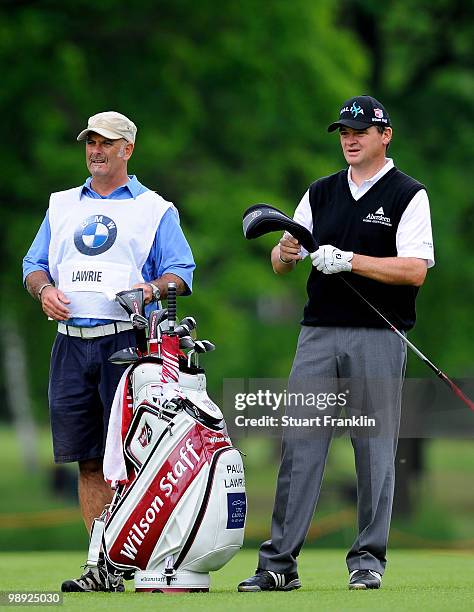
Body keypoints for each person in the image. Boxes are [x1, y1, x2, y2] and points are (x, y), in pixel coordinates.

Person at [238, 96, 434, 592]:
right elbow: (284, 264)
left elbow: (415, 269)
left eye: (359, 131)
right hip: (318, 333)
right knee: (300, 447)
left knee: (372, 451)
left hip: (379, 336)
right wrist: (285, 252)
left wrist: (351, 260)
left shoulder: (408, 194)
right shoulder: (320, 193)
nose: (349, 138)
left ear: (384, 135)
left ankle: (367, 560)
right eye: (343, 132)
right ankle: (278, 566)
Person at [23, 111, 195, 592]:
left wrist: (152, 290)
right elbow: (33, 265)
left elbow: (181, 271)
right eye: (90, 142)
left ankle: (142, 559)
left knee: (133, 461)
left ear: (128, 150)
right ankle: (101, 567)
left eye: (107, 142)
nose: (96, 150)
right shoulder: (61, 205)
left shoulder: (154, 209)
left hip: (127, 344)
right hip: (71, 344)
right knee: (89, 460)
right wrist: (43, 292)